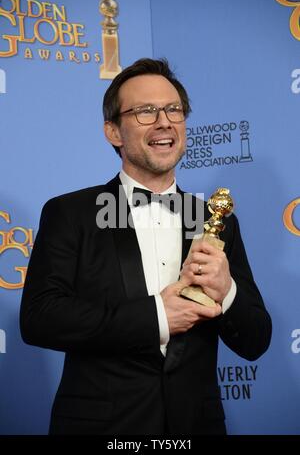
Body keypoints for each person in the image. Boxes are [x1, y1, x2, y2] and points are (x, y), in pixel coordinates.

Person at [20, 58, 272, 435]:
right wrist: (156, 316)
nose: (165, 121)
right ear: (113, 132)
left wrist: (228, 292)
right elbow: (40, 318)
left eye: (173, 109)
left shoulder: (216, 220)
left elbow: (256, 341)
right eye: (145, 111)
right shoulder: (69, 213)